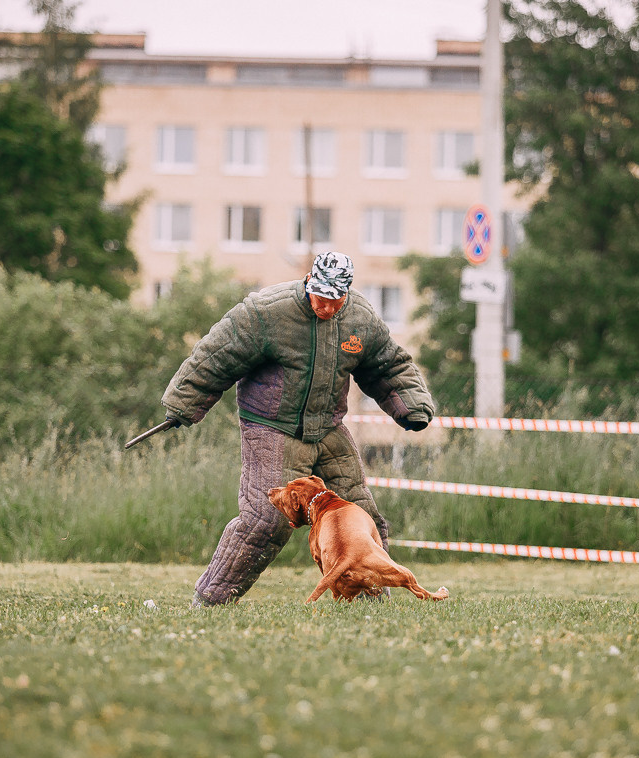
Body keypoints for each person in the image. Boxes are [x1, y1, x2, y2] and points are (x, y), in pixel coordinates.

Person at [160, 251, 436, 606]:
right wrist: (184, 402)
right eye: (321, 297)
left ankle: (370, 603)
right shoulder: (266, 312)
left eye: (336, 300)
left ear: (347, 293)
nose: (327, 307)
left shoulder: (360, 317)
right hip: (272, 427)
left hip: (328, 426)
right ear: (309, 282)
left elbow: (388, 365)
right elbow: (217, 354)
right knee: (266, 520)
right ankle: (211, 600)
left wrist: (411, 405)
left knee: (360, 513)